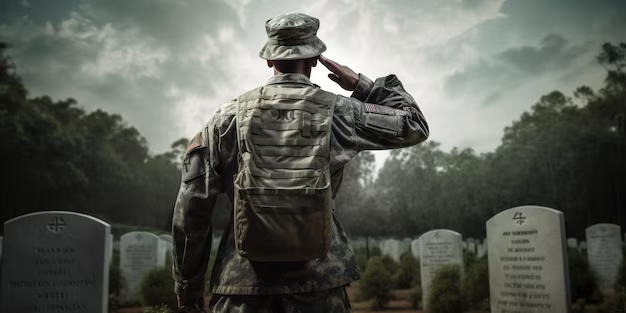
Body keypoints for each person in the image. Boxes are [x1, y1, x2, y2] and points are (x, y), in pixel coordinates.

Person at [172, 12, 429, 313]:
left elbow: (192, 207)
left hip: (242, 285)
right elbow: (414, 125)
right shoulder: (341, 113)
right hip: (319, 284)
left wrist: (188, 286)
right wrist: (364, 85)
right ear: (316, 59)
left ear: (269, 60)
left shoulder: (226, 119)